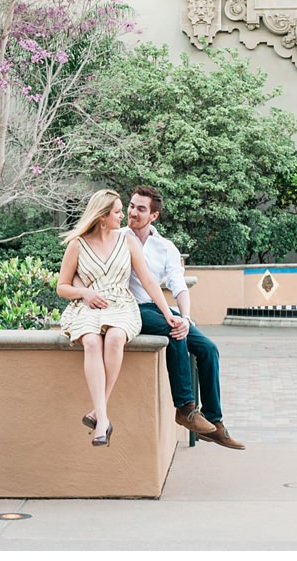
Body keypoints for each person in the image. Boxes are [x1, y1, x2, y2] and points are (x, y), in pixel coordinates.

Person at [57, 188, 183, 448]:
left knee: (115, 338)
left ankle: (98, 415)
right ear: (102, 216)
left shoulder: (127, 241)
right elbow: (62, 287)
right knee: (91, 342)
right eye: (117, 211)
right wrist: (85, 293)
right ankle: (103, 419)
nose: (123, 215)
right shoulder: (76, 245)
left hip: (121, 305)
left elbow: (148, 280)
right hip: (87, 305)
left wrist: (168, 313)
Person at [125, 186, 245, 450]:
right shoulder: (118, 238)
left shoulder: (165, 247)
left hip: (160, 308)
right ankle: (185, 408)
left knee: (208, 349)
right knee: (173, 331)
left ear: (153, 216)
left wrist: (186, 316)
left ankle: (215, 423)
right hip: (132, 308)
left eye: (140, 208)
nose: (132, 212)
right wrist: (175, 320)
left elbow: (178, 286)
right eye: (131, 205)